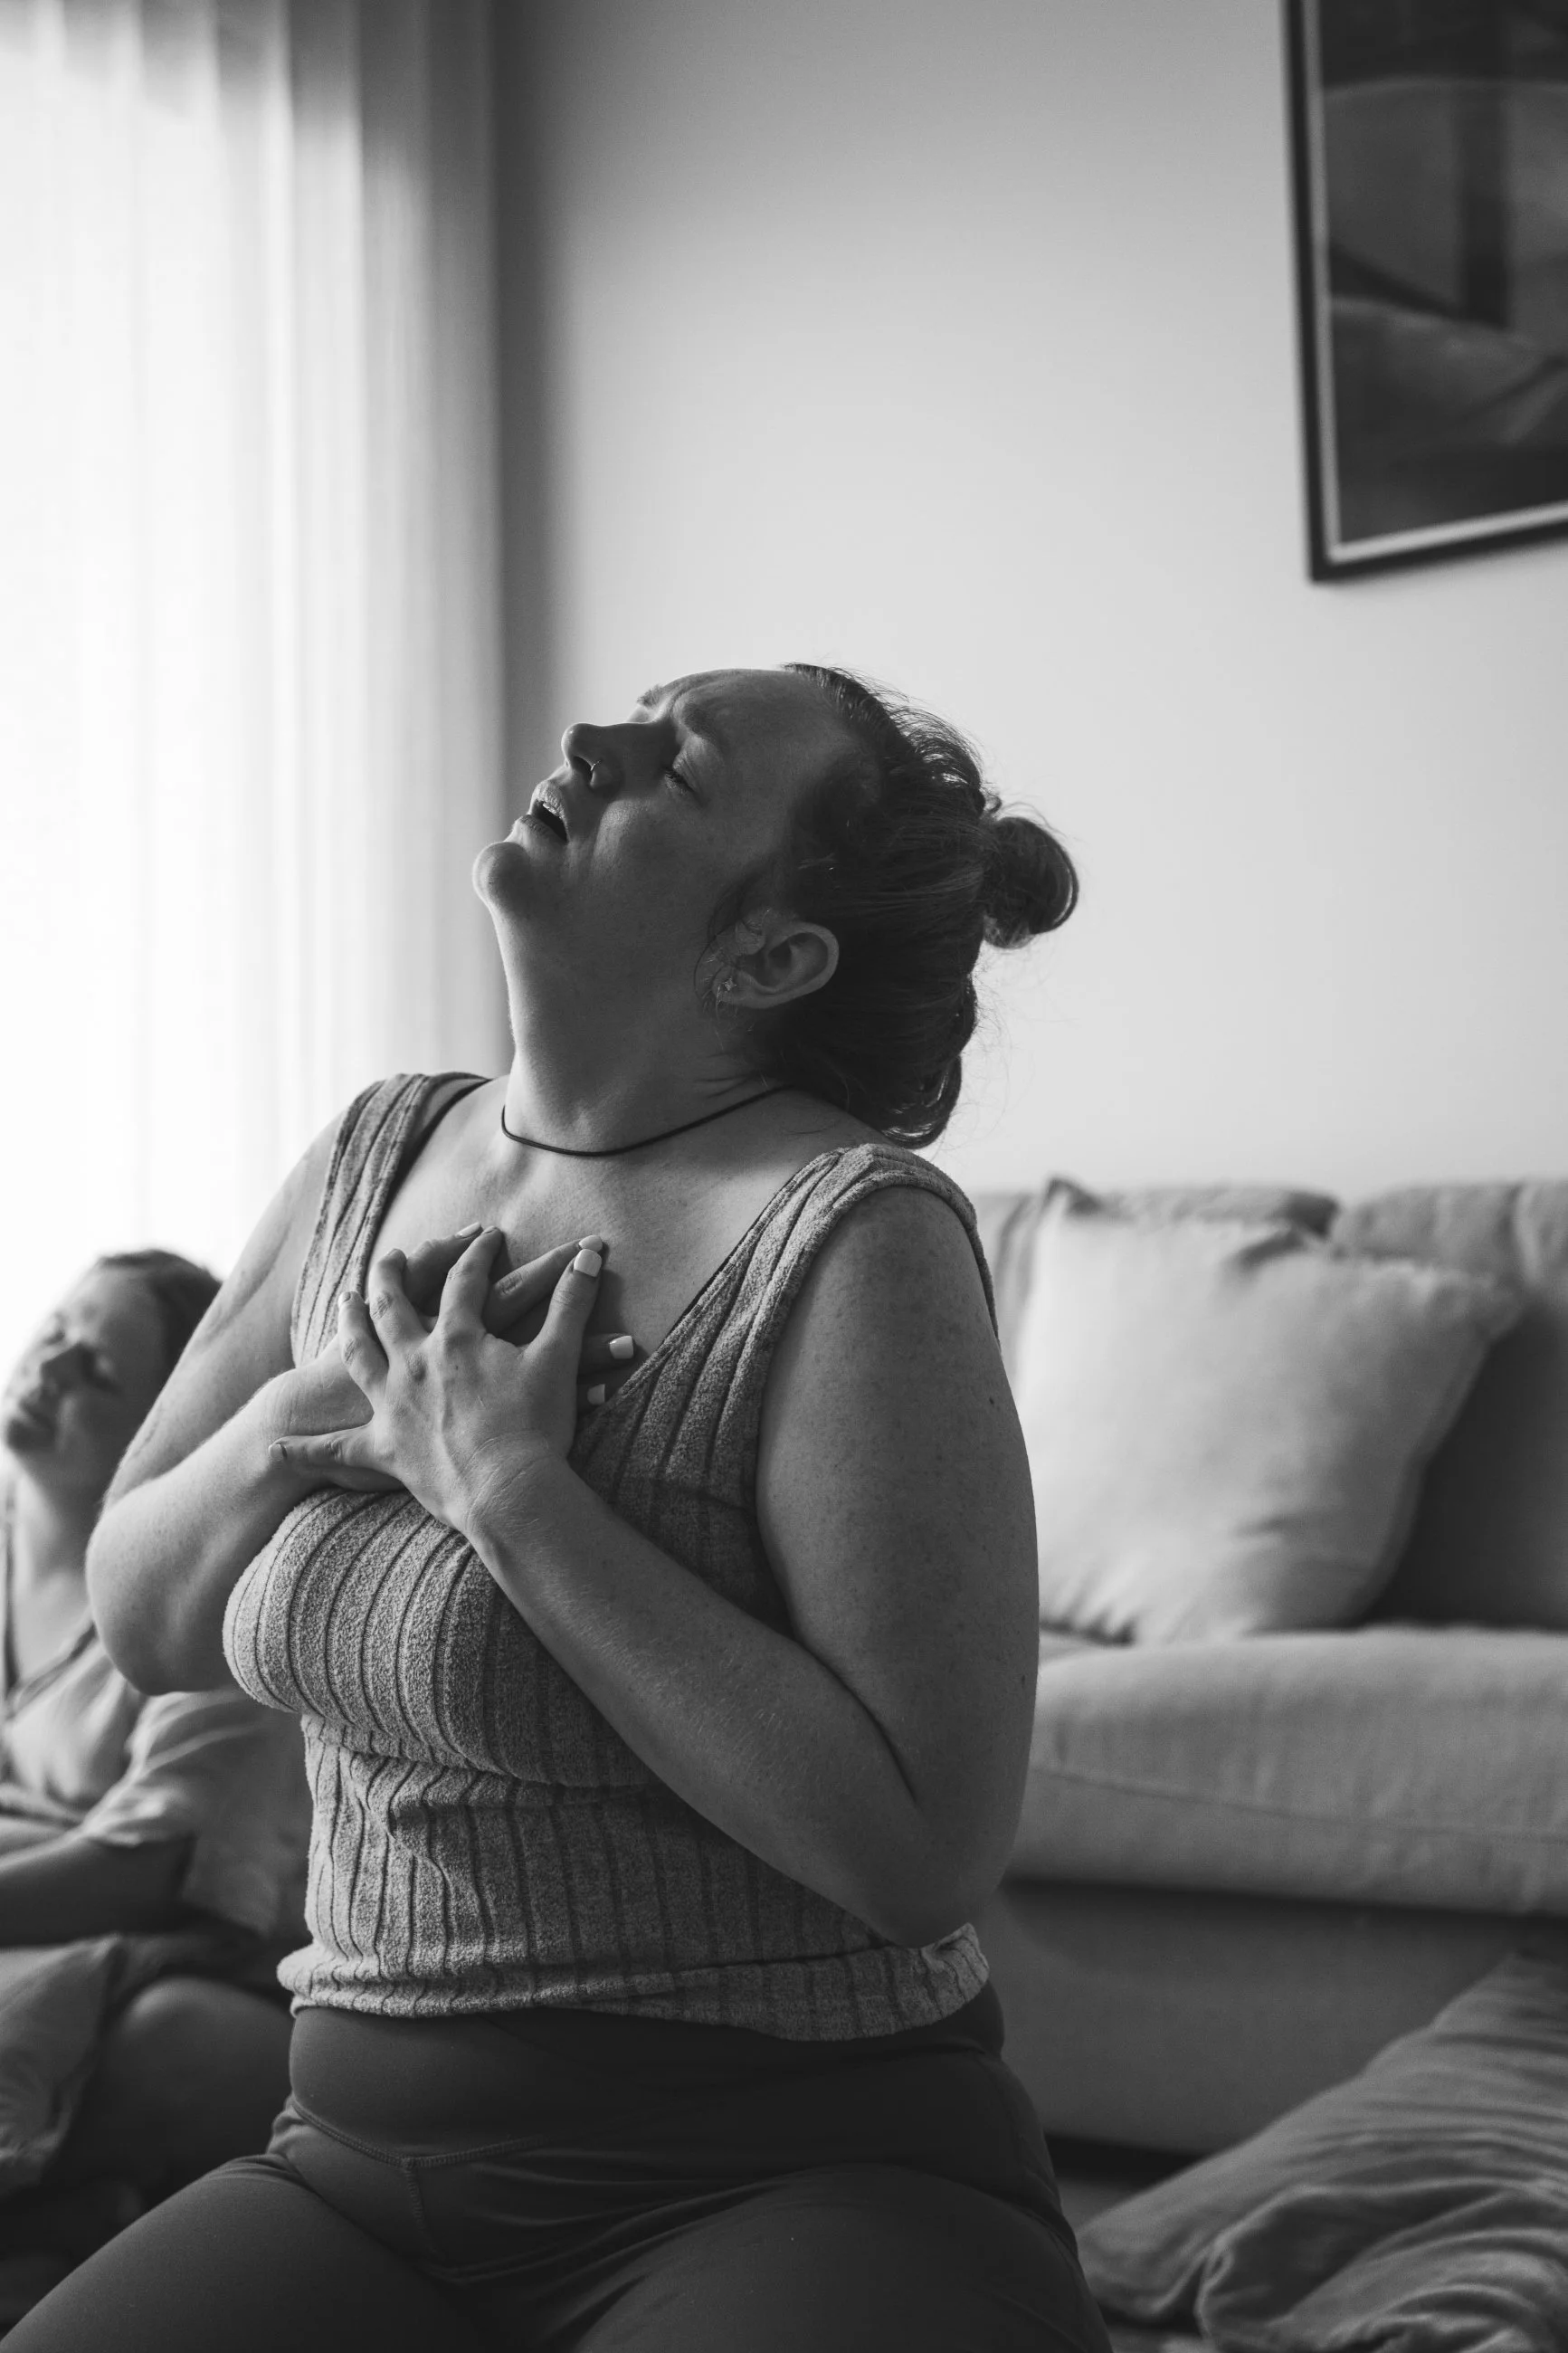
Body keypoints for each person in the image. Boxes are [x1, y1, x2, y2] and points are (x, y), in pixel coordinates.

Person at [13, 665, 1111, 2351]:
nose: (591, 748)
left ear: (770, 957)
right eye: (631, 717)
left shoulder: (849, 1237)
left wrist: (509, 1488)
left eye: (672, 772)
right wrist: (338, 1406)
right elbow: (150, 1618)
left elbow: (916, 1850)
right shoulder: (370, 1158)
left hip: (790, 2168)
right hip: (352, 2164)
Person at [0, 1251, 311, 2302]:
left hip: (211, 1967)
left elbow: (166, 1859)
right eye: (57, 1331)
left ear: (160, 1437)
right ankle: (58, 2225)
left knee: (181, 2040)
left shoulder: (207, 1602)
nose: (51, 1366)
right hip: (41, 1933)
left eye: (96, 1369)